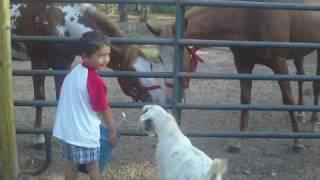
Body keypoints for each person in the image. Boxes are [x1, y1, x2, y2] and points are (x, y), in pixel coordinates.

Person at [53, 31, 117, 180]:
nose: (105, 60)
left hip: (67, 131)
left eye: (107, 54)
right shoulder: (95, 81)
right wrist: (112, 130)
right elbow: (103, 109)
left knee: (71, 165)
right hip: (83, 133)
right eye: (100, 56)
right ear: (85, 56)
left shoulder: (75, 70)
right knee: (93, 167)